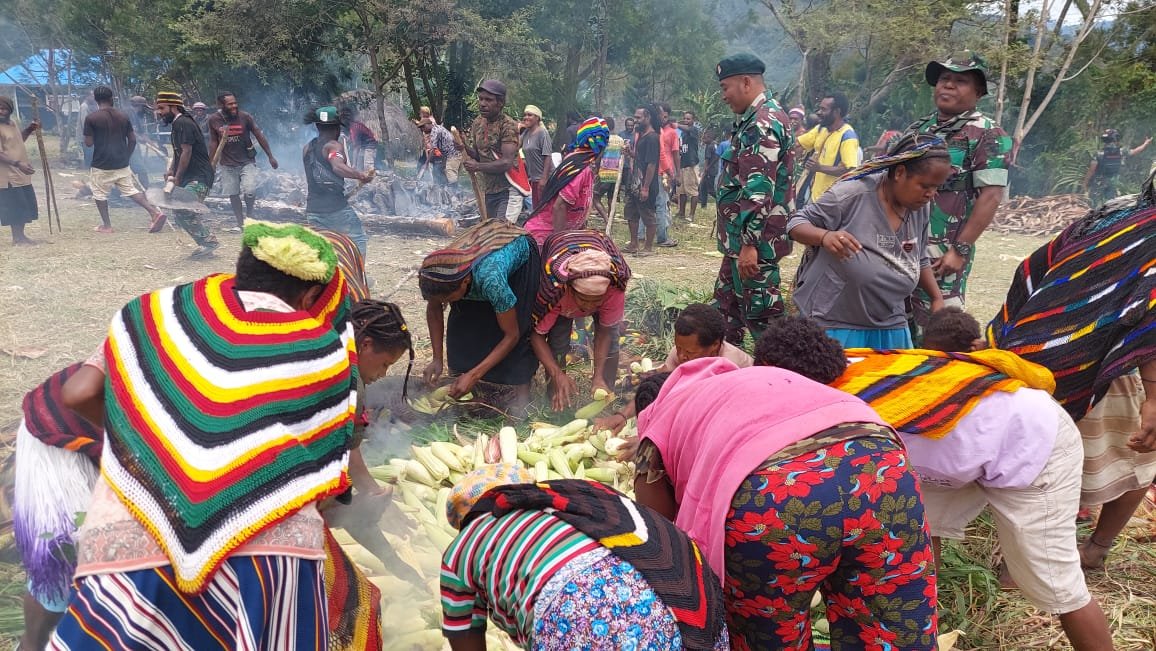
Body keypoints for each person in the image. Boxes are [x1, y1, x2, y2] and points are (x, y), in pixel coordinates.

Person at [48, 220, 361, 650]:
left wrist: (145, 441)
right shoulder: (324, 348)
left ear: (241, 270)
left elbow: (78, 392)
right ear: (310, 296)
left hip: (134, 538)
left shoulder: (155, 313)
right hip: (268, 556)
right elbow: (323, 470)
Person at [756, 314, 1115, 651]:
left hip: (1030, 443)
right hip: (965, 440)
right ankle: (917, 623)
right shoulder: (846, 363)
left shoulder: (848, 411)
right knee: (917, 532)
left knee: (1055, 582)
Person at [631, 354, 937, 650]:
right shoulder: (752, 379)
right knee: (892, 625)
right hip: (882, 469)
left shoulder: (662, 416)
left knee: (770, 636)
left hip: (776, 499)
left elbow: (653, 524)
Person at [988, 179, 1156, 572]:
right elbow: (1150, 323)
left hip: (1033, 356)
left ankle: (1033, 560)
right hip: (1098, 368)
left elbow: (1033, 266)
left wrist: (1024, 331)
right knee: (1133, 462)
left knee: (1034, 462)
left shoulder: (1114, 213)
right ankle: (1072, 555)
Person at [440, 464, 729, 650]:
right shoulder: (571, 500)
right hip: (682, 593)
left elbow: (464, 637)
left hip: (584, 619)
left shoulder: (460, 551)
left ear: (462, 521)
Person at [787, 134, 951, 348]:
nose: (931, 194)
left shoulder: (919, 206)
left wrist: (937, 299)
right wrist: (825, 237)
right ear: (900, 173)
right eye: (925, 186)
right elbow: (795, 224)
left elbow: (918, 258)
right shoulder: (852, 194)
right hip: (833, 322)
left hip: (890, 324)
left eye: (936, 187)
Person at [905, 51, 1011, 341]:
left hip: (942, 251)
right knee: (900, 322)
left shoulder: (988, 134)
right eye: (944, 79)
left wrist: (960, 250)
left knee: (939, 330)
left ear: (978, 92)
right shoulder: (920, 129)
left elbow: (990, 196)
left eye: (960, 81)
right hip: (903, 243)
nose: (948, 86)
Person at [13, 364, 104, 650]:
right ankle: (32, 645)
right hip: (59, 443)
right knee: (63, 562)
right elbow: (78, 393)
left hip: (104, 439)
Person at [712, 53, 795, 345]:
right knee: (723, 316)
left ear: (746, 82)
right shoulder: (755, 119)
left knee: (766, 326)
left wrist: (749, 244)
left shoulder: (762, 123)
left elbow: (759, 189)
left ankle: (784, 380)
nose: (723, 96)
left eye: (725, 87)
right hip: (739, 245)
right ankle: (724, 378)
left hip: (753, 247)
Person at [419, 220, 541, 414]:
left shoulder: (491, 279)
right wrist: (436, 358)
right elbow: (434, 307)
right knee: (463, 323)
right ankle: (462, 378)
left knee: (517, 322)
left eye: (448, 299)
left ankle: (520, 397)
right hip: (478, 257)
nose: (445, 304)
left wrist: (474, 375)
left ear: (466, 281)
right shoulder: (439, 272)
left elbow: (512, 335)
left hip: (516, 249)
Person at [595, 303, 752, 434]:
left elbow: (702, 417)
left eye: (690, 352)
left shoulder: (730, 367)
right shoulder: (682, 352)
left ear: (715, 346)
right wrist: (623, 415)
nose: (682, 356)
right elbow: (659, 386)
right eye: (678, 348)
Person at [532, 230, 630, 409]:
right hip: (560, 244)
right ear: (570, 289)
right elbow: (536, 336)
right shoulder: (554, 291)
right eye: (583, 300)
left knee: (612, 341)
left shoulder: (613, 290)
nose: (589, 307)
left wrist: (597, 375)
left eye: (596, 301)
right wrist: (557, 373)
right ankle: (555, 398)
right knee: (558, 344)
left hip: (595, 248)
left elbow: (604, 331)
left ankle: (604, 391)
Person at [83, 85, 165, 233]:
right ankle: (154, 213)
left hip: (101, 163)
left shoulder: (92, 118)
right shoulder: (123, 117)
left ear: (96, 100)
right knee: (131, 190)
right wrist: (126, 156)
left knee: (99, 193)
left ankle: (107, 226)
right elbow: (132, 140)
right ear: (111, 99)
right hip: (121, 162)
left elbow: (88, 143)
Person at [522, 117, 609, 245]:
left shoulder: (578, 161)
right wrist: (559, 244)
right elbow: (560, 205)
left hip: (546, 235)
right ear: (600, 145)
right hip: (543, 240)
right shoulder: (580, 168)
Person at [155, 91, 220, 258]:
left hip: (199, 176)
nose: (159, 112)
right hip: (190, 176)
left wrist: (176, 177)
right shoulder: (178, 124)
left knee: (182, 208)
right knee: (181, 210)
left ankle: (209, 242)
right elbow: (178, 153)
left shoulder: (183, 122)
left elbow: (187, 151)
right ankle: (207, 243)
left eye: (162, 108)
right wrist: (171, 170)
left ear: (173, 106)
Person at [303, 105, 374, 256]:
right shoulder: (334, 146)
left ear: (317, 126)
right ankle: (357, 278)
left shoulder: (306, 148)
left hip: (312, 210)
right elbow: (337, 166)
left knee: (321, 250)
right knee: (358, 239)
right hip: (336, 210)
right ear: (337, 128)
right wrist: (361, 175)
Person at [209, 91, 279, 227]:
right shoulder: (214, 119)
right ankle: (240, 222)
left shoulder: (245, 117)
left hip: (247, 161)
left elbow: (258, 135)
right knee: (233, 194)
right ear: (220, 105)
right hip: (227, 163)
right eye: (230, 104)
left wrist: (270, 156)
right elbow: (213, 142)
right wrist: (210, 163)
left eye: (235, 103)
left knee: (250, 191)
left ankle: (250, 215)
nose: (234, 106)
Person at [463, 80, 520, 221]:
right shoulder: (478, 123)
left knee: (500, 233)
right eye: (481, 99)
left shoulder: (509, 125)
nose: (482, 103)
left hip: (507, 190)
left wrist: (477, 167)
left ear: (500, 103)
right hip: (488, 191)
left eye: (488, 100)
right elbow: (479, 156)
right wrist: (464, 148)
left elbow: (506, 163)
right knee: (488, 231)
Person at [796, 92, 861, 205]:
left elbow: (849, 169)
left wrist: (820, 168)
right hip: (814, 196)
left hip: (831, 203)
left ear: (837, 112)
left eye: (823, 109)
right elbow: (799, 142)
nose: (819, 113)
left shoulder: (848, 137)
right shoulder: (821, 129)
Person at [0, 95, 40, 245]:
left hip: (21, 172)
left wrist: (30, 129)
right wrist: (17, 164)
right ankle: (17, 238)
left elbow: (18, 140)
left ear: (10, 110)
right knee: (14, 206)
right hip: (7, 175)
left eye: (3, 108)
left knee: (23, 205)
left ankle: (21, 236)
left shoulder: (12, 123)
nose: (0, 111)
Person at [623, 104, 661, 255]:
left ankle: (648, 248)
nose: (636, 120)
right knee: (631, 212)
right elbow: (640, 159)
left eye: (638, 118)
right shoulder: (641, 136)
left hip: (646, 183)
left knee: (647, 214)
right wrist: (630, 153)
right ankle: (634, 244)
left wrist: (645, 187)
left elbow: (651, 164)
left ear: (648, 117)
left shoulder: (652, 138)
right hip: (634, 182)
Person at [1083, 128, 1151, 205]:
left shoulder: (1099, 154)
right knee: (1113, 206)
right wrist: (1145, 144)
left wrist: (1085, 184)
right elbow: (1135, 151)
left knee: (1093, 206)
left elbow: (1091, 170)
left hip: (1098, 183)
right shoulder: (1121, 152)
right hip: (1113, 183)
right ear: (1116, 139)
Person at [521, 104, 554, 209]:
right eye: (525, 115)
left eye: (529, 115)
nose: (526, 117)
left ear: (537, 118)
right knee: (537, 208)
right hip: (534, 178)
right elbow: (515, 146)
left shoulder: (542, 133)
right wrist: (517, 129)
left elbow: (547, 156)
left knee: (543, 208)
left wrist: (544, 178)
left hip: (545, 178)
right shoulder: (526, 133)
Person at [655, 103, 679, 247]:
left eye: (663, 115)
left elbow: (676, 154)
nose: (661, 117)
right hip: (660, 170)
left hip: (665, 171)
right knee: (661, 203)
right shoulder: (656, 131)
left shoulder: (671, 133)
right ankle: (662, 236)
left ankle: (661, 232)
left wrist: (676, 172)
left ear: (667, 116)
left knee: (664, 202)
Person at [592, 116, 623, 223]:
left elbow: (598, 157)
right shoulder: (620, 140)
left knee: (595, 197)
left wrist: (595, 169)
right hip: (616, 174)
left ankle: (606, 219)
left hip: (604, 172)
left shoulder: (603, 140)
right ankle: (610, 220)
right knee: (611, 200)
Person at [339, 106, 383, 171]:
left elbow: (356, 147)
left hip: (370, 145)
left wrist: (354, 164)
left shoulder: (355, 127)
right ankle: (360, 178)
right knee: (360, 164)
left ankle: (371, 178)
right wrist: (345, 137)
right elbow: (351, 139)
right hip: (364, 145)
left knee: (368, 165)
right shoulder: (353, 126)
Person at [418, 117, 458, 187]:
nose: (422, 129)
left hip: (452, 154)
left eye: (423, 127)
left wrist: (426, 164)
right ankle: (443, 188)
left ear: (428, 124)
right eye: (421, 128)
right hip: (447, 154)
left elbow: (433, 149)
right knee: (439, 170)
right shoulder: (438, 127)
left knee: (450, 173)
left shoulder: (434, 131)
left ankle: (454, 192)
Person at [676, 110, 700, 220]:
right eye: (684, 118)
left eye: (688, 119)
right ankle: (681, 212)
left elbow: (688, 128)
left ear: (693, 120)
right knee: (681, 190)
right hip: (683, 164)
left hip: (691, 164)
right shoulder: (683, 134)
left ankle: (691, 215)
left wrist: (677, 124)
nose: (686, 120)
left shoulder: (693, 130)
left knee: (692, 191)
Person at [127, 95, 155, 188]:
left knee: (136, 169)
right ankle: (147, 190)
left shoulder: (135, 115)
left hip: (133, 147)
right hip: (126, 147)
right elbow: (130, 132)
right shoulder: (127, 114)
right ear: (139, 106)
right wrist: (140, 138)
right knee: (141, 169)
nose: (144, 110)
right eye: (144, 107)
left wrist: (151, 143)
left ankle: (146, 188)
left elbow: (141, 132)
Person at [697, 127, 719, 212]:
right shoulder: (715, 145)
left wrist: (706, 169)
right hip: (713, 169)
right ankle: (703, 205)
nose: (703, 139)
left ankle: (719, 200)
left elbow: (707, 159)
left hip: (710, 170)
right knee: (703, 187)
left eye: (705, 138)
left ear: (710, 138)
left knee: (710, 189)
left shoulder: (709, 146)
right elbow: (717, 157)